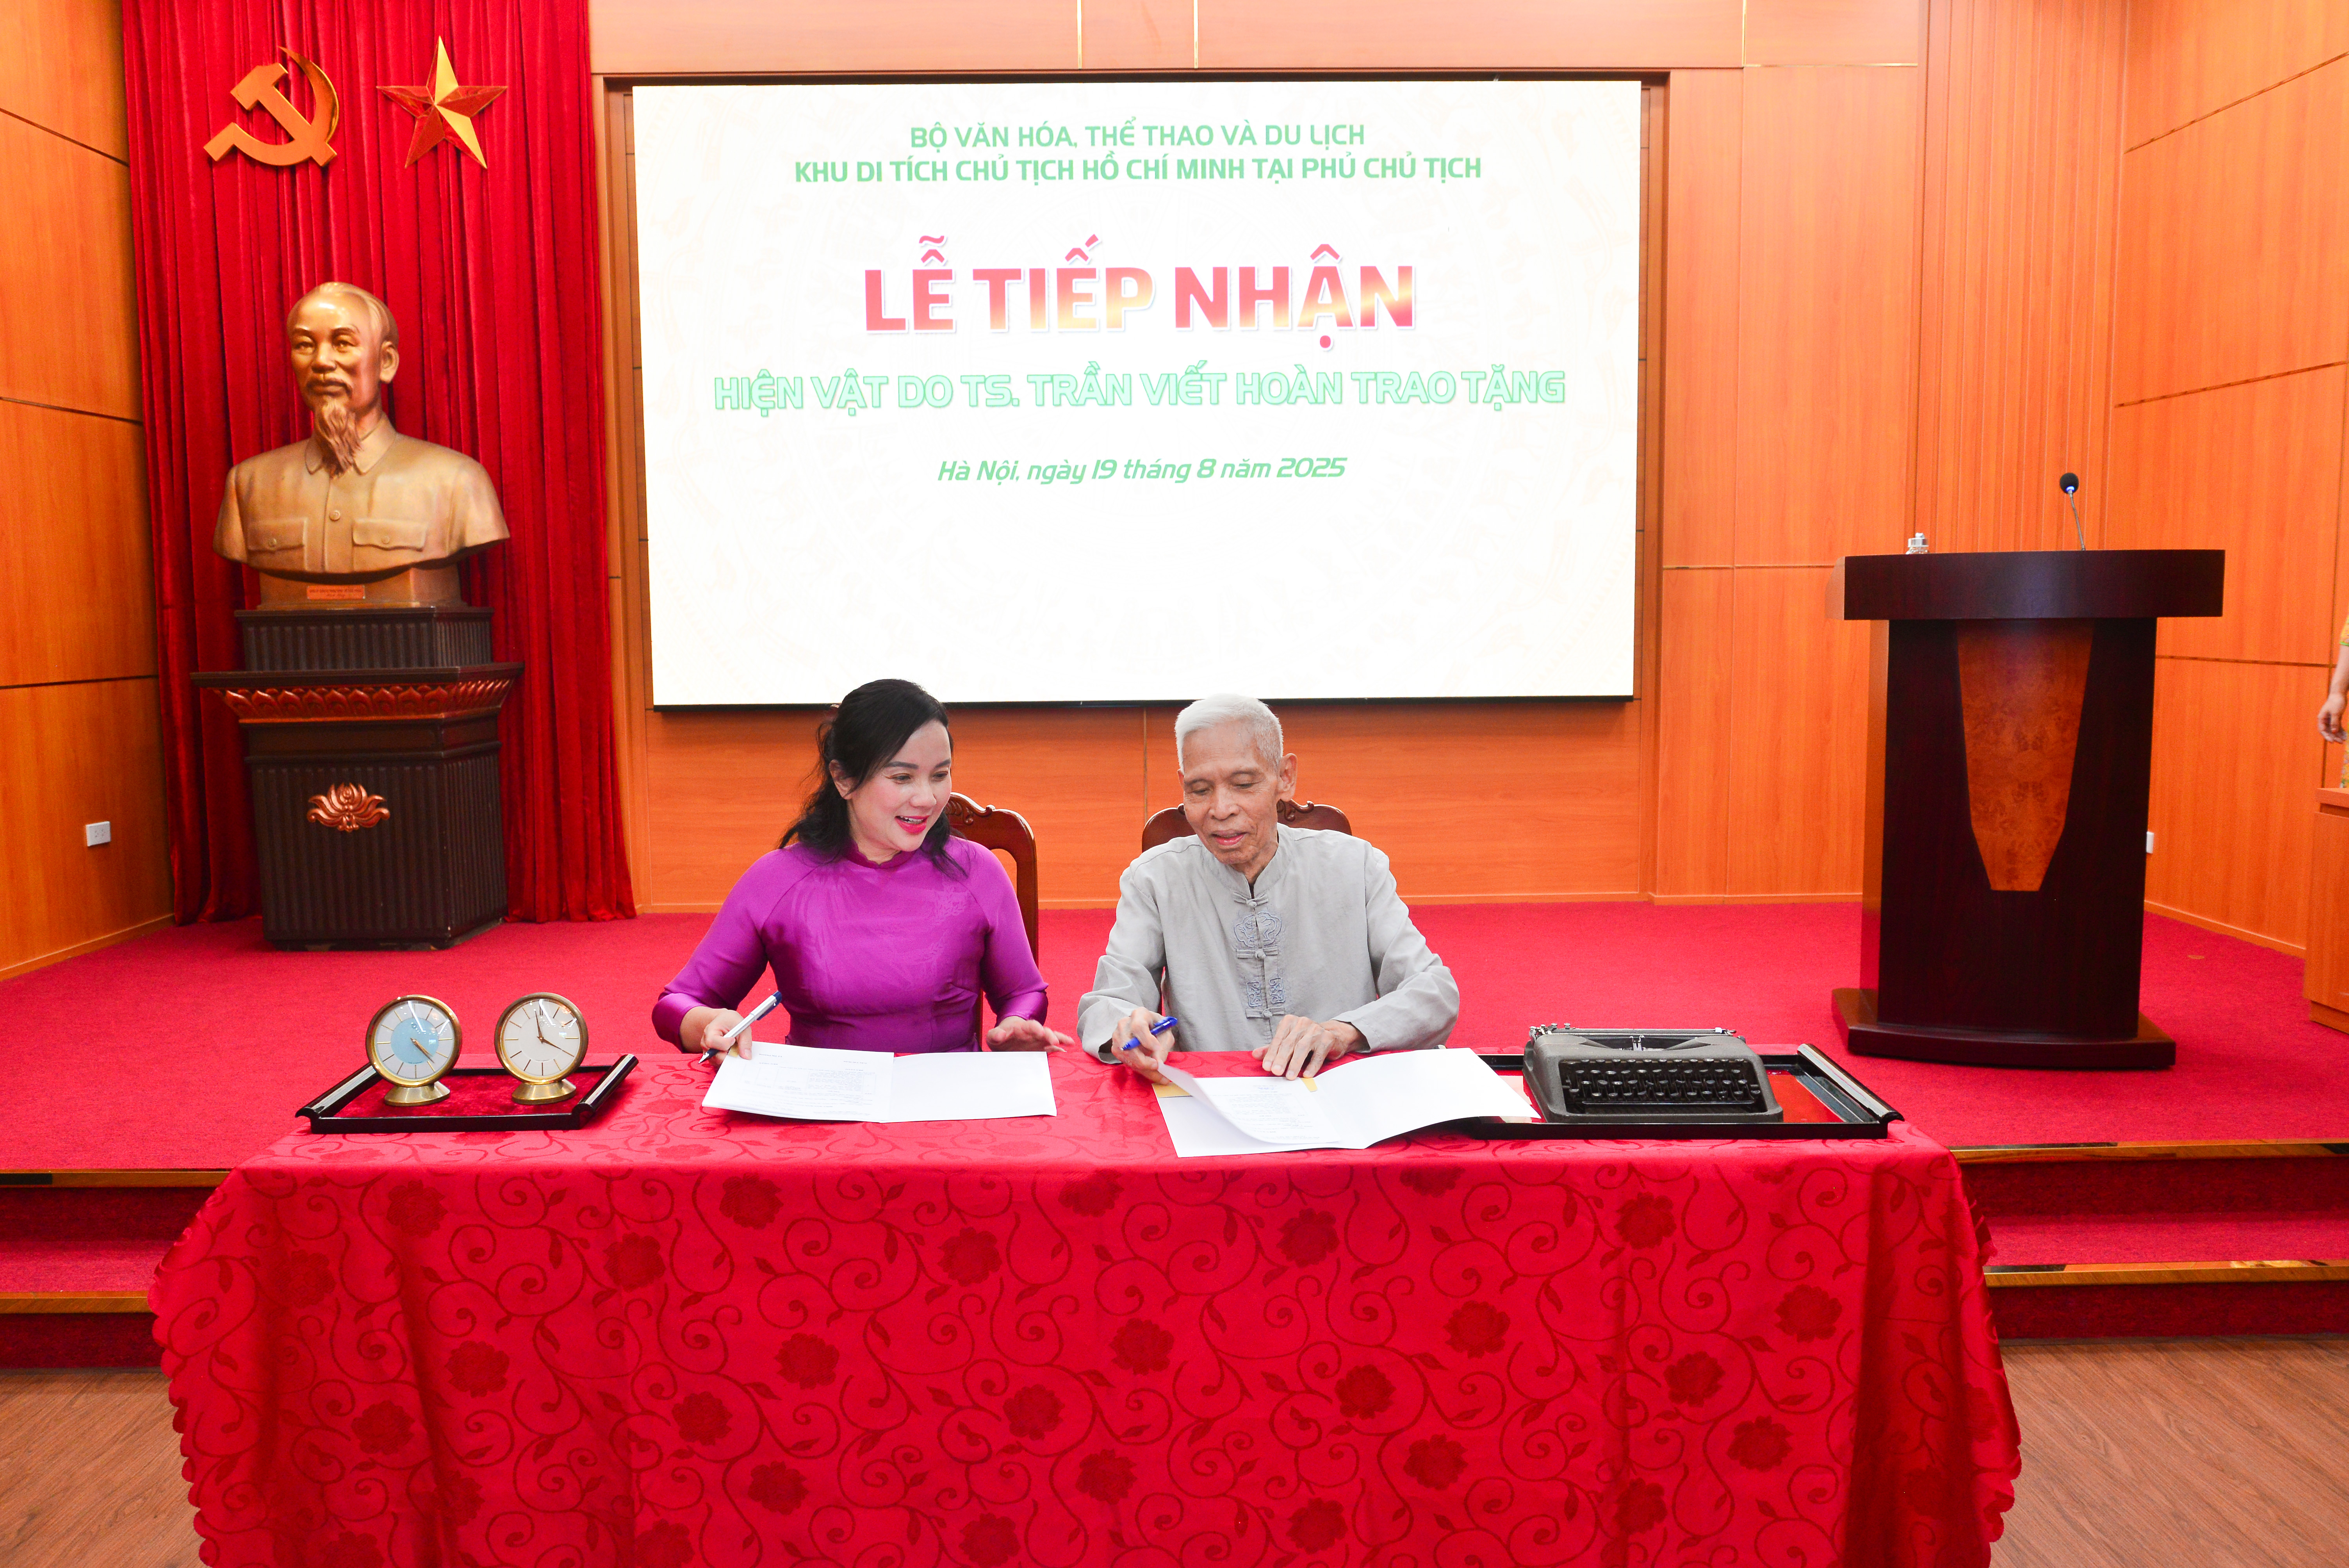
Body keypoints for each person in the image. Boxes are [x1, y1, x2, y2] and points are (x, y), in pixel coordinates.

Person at [654, 679, 1069, 1057]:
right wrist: (708, 1023)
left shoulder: (978, 871)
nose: (927, 799)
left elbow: (1024, 991)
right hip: (819, 1101)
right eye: (902, 777)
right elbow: (676, 1004)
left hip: (947, 1098)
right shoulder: (776, 880)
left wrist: (1016, 1024)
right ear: (844, 779)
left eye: (940, 775)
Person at [1079, 694, 1459, 1082]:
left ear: (1285, 776)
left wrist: (1343, 1032)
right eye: (1200, 790)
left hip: (1337, 1088)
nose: (1221, 809)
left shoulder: (1355, 865)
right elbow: (1107, 1003)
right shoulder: (1155, 878)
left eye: (1243, 784)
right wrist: (1129, 1027)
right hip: (1210, 1094)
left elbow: (1433, 991)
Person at [214, 281, 508, 592]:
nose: (321, 361)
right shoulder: (248, 484)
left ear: (386, 362)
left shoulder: (457, 482)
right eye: (305, 345)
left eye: (342, 343)